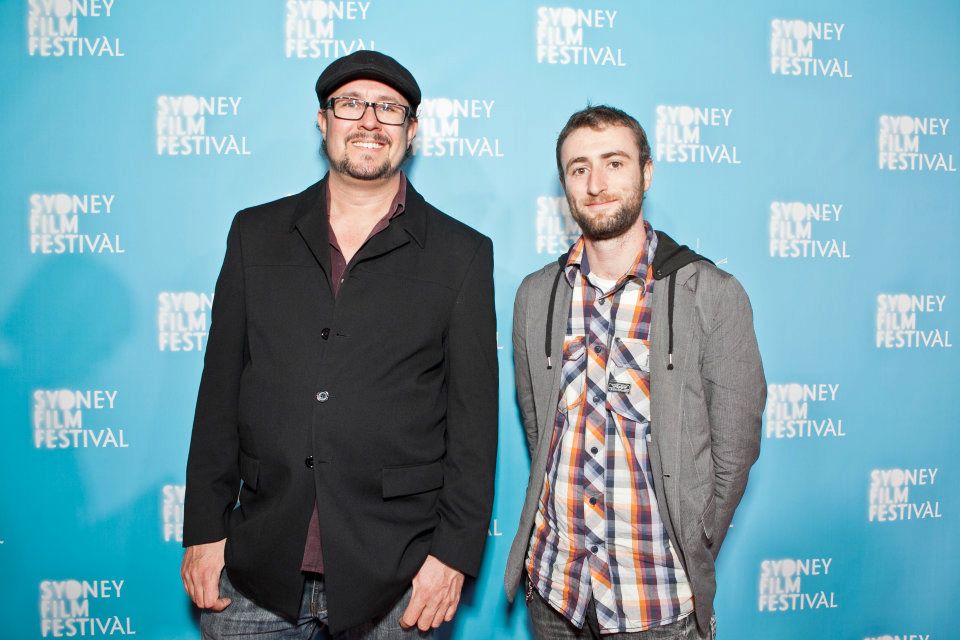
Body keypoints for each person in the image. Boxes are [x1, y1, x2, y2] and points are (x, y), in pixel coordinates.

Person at [181, 50, 498, 639]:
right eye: (350, 104)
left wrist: (453, 557)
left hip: (399, 579)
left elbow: (474, 426)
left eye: (389, 108)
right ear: (322, 121)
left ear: (412, 130)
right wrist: (203, 530)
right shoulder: (255, 235)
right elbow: (218, 392)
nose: (369, 121)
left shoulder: (462, 254)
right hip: (256, 568)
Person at [504, 105, 765, 639]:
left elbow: (734, 453)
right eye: (579, 168)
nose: (596, 183)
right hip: (557, 594)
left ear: (646, 172)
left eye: (614, 163)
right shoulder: (536, 297)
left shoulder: (710, 294)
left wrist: (695, 539)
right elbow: (541, 431)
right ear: (565, 185)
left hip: (657, 604)